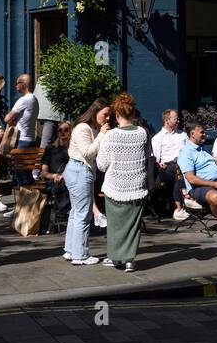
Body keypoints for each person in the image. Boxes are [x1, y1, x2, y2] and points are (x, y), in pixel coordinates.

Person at [95, 93, 150, 272]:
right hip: (137, 187)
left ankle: (115, 257)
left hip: (115, 187)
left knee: (115, 226)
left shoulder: (110, 136)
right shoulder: (142, 133)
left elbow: (102, 165)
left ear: (117, 114)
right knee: (132, 227)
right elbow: (147, 155)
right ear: (133, 112)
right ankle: (129, 260)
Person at [63, 99, 111, 265]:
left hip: (78, 171)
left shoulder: (91, 128)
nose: (107, 118)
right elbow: (88, 153)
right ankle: (80, 255)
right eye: (104, 114)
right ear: (95, 112)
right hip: (79, 171)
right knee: (83, 214)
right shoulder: (83, 128)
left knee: (76, 212)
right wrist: (103, 135)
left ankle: (70, 250)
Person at [151, 108, 193, 220]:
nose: (178, 121)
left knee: (177, 171)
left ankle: (178, 209)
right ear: (166, 120)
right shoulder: (157, 138)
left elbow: (190, 151)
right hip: (166, 169)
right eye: (175, 119)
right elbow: (155, 159)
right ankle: (186, 196)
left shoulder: (183, 135)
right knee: (176, 168)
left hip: (183, 167)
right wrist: (159, 164)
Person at [3, 74, 40, 186]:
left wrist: (11, 119)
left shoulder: (23, 100)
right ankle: (32, 202)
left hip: (22, 141)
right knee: (27, 175)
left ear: (23, 84)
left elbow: (7, 118)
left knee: (21, 176)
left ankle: (26, 202)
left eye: (17, 83)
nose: (15, 86)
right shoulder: (34, 99)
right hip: (31, 140)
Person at [39, 122, 74, 225]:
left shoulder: (72, 149)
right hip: (53, 179)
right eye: (60, 130)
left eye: (66, 130)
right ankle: (64, 211)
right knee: (62, 183)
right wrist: (54, 175)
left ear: (70, 132)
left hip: (69, 178)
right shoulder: (50, 148)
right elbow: (44, 172)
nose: (62, 132)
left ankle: (64, 211)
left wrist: (65, 175)